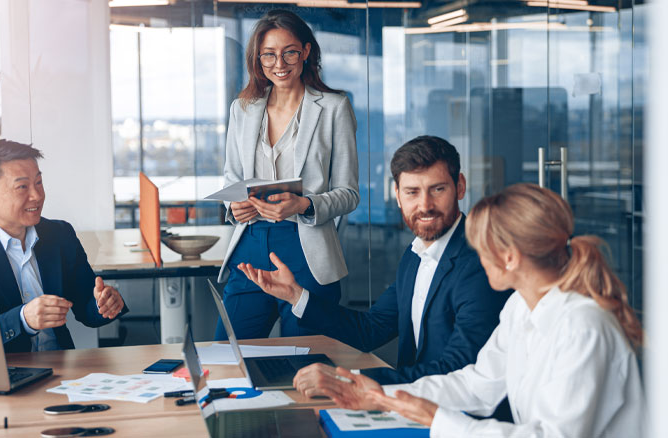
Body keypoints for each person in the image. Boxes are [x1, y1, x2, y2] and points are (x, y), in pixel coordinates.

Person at [316, 184, 645, 437]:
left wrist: (437, 419)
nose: (476, 258)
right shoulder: (521, 305)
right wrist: (384, 396)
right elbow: (476, 384)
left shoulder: (583, 326)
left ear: (511, 257)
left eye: (481, 247)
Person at [240, 136, 511, 391]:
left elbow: (458, 370)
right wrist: (295, 295)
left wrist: (349, 381)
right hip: (415, 402)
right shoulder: (416, 254)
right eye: (412, 192)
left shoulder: (480, 264)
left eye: (437, 189)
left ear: (460, 186)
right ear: (397, 194)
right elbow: (371, 330)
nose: (425, 205)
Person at [215, 9, 359, 340]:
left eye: (289, 52)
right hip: (250, 248)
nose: (279, 63)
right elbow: (231, 178)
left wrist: (303, 205)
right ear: (258, 58)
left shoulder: (334, 108)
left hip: (307, 253)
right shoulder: (243, 108)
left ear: (306, 52)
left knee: (306, 360)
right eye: (269, 55)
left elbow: (348, 193)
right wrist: (234, 206)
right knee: (229, 355)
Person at [0, 140, 128, 353]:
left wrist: (104, 304)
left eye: (39, 182)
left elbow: (86, 305)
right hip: (1, 375)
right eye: (22, 187)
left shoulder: (60, 236)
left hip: (62, 369)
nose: (37, 195)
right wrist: (23, 319)